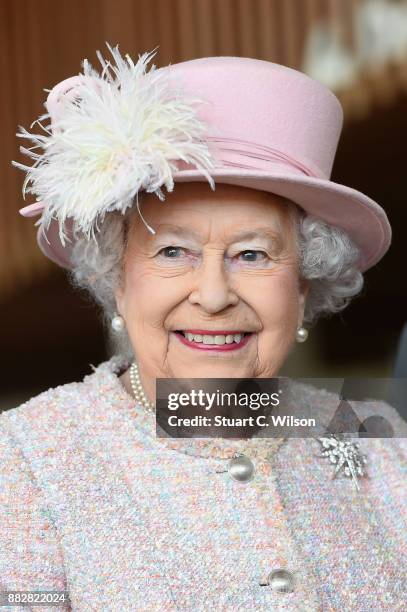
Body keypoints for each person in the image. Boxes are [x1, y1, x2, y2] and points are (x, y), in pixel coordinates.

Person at [1, 43, 406, 611]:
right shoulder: (28, 457)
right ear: (118, 279)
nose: (214, 295)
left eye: (253, 254)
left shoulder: (374, 441)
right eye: (172, 251)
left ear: (304, 284)